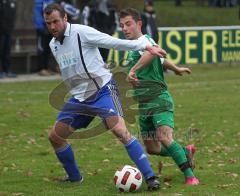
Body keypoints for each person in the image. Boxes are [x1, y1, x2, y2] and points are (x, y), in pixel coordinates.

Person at [43, 3, 167, 190]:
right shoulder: (53, 44)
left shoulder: (82, 32)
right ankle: (75, 178)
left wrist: (144, 45)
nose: (52, 27)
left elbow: (112, 42)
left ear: (65, 19)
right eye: (48, 23)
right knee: (55, 136)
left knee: (120, 131)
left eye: (55, 21)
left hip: (103, 91)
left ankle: (150, 177)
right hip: (79, 100)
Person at [119, 8, 200, 185]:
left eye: (128, 24)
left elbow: (152, 52)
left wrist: (133, 70)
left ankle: (190, 176)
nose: (124, 28)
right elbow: (161, 59)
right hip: (144, 104)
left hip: (159, 98)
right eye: (122, 25)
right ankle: (184, 152)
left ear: (139, 23)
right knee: (153, 148)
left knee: (164, 137)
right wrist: (176, 68)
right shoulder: (135, 46)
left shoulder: (144, 40)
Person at [0, 0, 17, 78]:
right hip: (1, 31)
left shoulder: (11, 3)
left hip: (8, 31)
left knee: (7, 52)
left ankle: (7, 70)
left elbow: (12, 17)